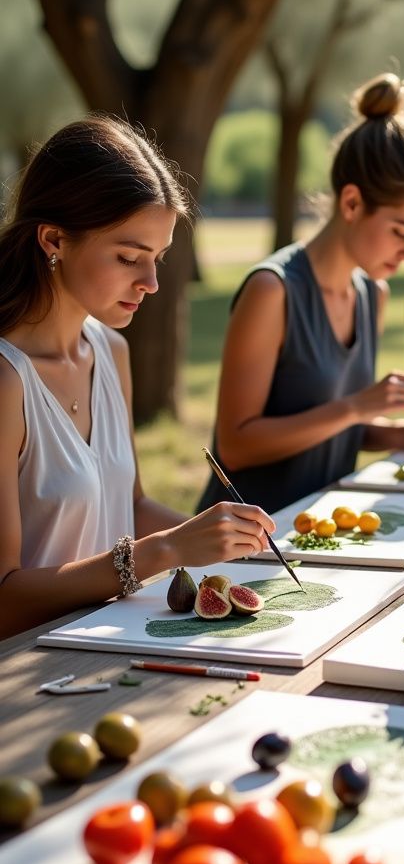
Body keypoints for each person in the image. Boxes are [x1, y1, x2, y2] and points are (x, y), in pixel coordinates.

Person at [0, 117, 275, 641]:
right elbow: (4, 599)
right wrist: (167, 549)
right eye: (128, 257)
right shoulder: (6, 381)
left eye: (158, 259)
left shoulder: (111, 350)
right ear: (54, 239)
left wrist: (225, 536)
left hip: (110, 644)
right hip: (28, 673)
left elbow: (128, 503)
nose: (150, 283)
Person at [198, 74, 404, 516]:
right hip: (246, 548)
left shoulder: (371, 294)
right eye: (401, 232)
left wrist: (397, 435)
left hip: (319, 535)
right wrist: (357, 405)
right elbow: (236, 446)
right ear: (352, 203)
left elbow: (334, 425)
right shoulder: (272, 289)